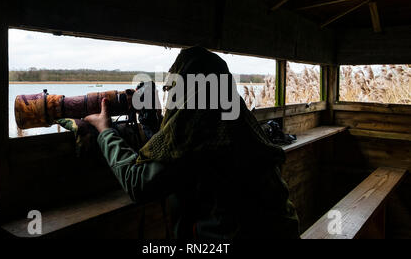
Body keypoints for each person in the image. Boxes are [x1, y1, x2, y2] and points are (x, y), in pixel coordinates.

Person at [84, 46, 300, 239]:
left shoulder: (201, 137)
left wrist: (105, 131)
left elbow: (137, 183)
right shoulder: (239, 122)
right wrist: (154, 125)